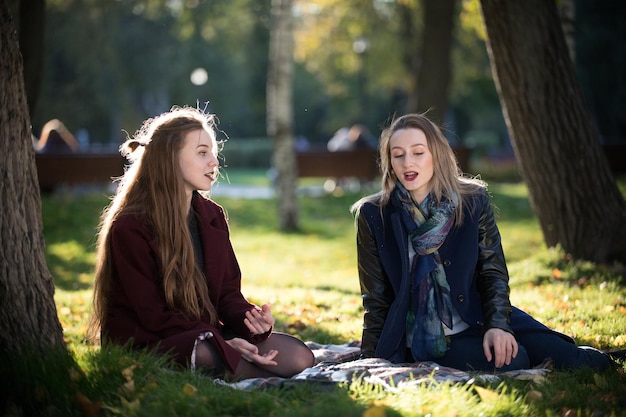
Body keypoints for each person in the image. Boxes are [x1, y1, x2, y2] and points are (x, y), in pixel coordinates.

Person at [350, 113, 614, 372]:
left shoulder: (473, 201)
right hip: (430, 340)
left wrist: (498, 325)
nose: (408, 162)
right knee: (514, 360)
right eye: (398, 155)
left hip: (480, 312)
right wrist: (370, 359)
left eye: (418, 152)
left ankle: (594, 357)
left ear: (436, 155)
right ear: (390, 161)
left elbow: (492, 272)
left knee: (571, 359)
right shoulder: (373, 215)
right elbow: (376, 300)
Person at [89, 106, 314, 380]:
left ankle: (236, 364)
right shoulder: (130, 227)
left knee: (298, 356)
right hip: (149, 340)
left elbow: (227, 295)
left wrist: (251, 320)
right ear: (170, 158)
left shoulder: (212, 216)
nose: (214, 163)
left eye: (213, 153)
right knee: (209, 353)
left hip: (204, 333)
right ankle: (245, 370)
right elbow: (152, 316)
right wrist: (219, 343)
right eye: (202, 153)